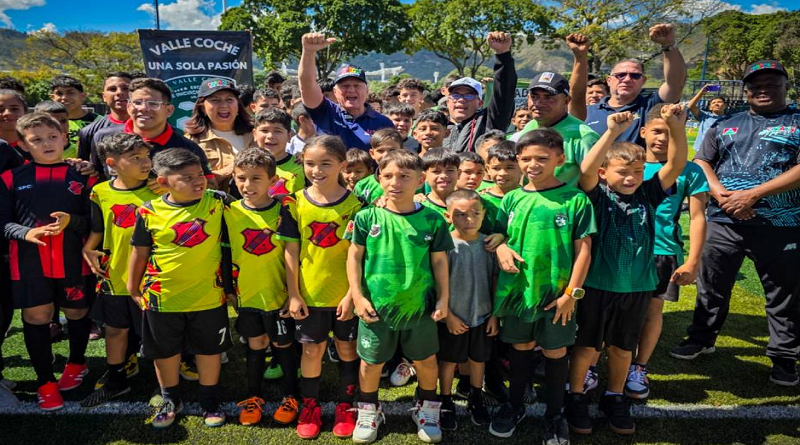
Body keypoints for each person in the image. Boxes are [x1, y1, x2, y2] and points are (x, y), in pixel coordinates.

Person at [671, 60, 800, 387]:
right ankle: (701, 339)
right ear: (746, 90)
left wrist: (752, 195)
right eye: (756, 85)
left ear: (786, 86)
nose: (763, 90)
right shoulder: (726, 122)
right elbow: (703, 160)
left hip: (780, 223)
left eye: (772, 84)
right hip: (723, 220)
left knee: (783, 292)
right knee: (712, 285)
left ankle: (784, 357)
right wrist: (719, 192)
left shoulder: (797, 121)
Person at [567, 105, 687, 436]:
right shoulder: (596, 196)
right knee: (587, 347)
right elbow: (586, 170)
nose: (632, 177)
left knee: (622, 348)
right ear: (605, 173)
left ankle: (614, 396)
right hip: (597, 286)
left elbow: (676, 163)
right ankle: (575, 395)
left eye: (637, 170)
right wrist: (611, 133)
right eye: (623, 171)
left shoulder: (648, 193)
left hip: (636, 287)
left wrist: (676, 127)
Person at [491, 129, 596, 442]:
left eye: (542, 158)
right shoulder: (512, 198)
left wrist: (571, 294)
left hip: (558, 296)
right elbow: (499, 236)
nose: (532, 165)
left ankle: (554, 415)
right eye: (526, 159)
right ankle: (514, 405)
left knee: (555, 350)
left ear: (560, 159)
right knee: (520, 347)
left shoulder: (575, 199)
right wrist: (500, 248)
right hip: (519, 292)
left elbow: (584, 251)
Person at [345, 149, 453, 444]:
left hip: (419, 307)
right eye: (388, 176)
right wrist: (357, 296)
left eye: (404, 176)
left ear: (420, 180)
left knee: (426, 360)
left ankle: (427, 408)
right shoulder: (366, 217)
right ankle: (368, 410)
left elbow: (439, 262)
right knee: (371, 363)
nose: (395, 183)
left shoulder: (432, 220)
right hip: (375, 307)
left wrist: (444, 298)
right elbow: (354, 257)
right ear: (379, 179)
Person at [128, 148, 234, 428]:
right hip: (162, 296)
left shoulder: (218, 201)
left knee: (209, 350)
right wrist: (132, 286)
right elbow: (139, 251)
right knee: (165, 352)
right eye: (187, 177)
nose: (198, 181)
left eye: (199, 174)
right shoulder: (149, 211)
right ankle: (170, 399)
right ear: (163, 182)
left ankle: (209, 400)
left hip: (209, 295)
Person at [0, 113, 97, 410]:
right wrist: (26, 232)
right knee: (37, 317)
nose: (46, 143)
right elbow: (3, 222)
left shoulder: (85, 175)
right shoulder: (10, 178)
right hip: (29, 262)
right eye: (36, 140)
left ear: (64, 138)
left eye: (52, 137)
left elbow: (96, 223)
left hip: (74, 260)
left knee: (77, 312)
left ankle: (77, 363)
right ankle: (45, 381)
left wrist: (72, 222)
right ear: (23, 145)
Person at [277, 136, 363, 439]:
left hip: (345, 296)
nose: (317, 170)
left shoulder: (357, 205)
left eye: (326, 163)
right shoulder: (293, 203)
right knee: (312, 350)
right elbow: (290, 251)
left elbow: (360, 255)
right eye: (310, 163)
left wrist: (352, 295)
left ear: (342, 164)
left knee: (347, 348)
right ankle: (310, 407)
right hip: (309, 294)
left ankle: (345, 406)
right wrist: (294, 294)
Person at [621, 104, 708, 400]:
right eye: (657, 131)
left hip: (662, 251)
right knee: (615, 309)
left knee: (652, 311)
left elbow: (697, 217)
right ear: (644, 131)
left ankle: (639, 366)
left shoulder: (690, 170)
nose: (662, 138)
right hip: (622, 249)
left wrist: (693, 261)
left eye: (670, 132)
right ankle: (597, 364)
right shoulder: (626, 163)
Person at [79, 133, 158, 407]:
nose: (145, 162)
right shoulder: (100, 191)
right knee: (115, 330)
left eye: (146, 156)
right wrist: (88, 248)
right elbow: (98, 229)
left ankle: (165, 386)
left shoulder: (160, 188)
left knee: (155, 334)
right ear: (112, 163)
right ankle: (116, 381)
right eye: (135, 158)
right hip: (114, 274)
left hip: (153, 277)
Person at [227, 147, 301, 426]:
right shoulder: (228, 211)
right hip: (247, 295)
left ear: (272, 181)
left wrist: (293, 293)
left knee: (283, 343)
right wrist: (229, 288)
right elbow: (225, 252)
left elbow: (292, 254)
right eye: (241, 178)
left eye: (256, 178)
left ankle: (292, 395)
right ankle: (253, 396)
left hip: (278, 293)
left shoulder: (285, 210)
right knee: (255, 344)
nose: (247, 185)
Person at [438, 189, 499, 431]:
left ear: (484, 214)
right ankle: (445, 400)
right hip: (452, 317)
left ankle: (476, 396)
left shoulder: (489, 245)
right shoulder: (444, 245)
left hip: (482, 316)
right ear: (448, 215)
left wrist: (494, 315)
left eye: (475, 213)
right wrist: (448, 316)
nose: (469, 219)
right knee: (448, 360)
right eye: (461, 214)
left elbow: (494, 280)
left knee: (478, 359)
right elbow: (437, 284)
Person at [92, 78, 214, 185]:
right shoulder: (104, 138)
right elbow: (96, 177)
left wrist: (173, 188)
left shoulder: (188, 148)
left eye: (153, 104)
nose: (143, 108)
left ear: (169, 110)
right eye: (137, 103)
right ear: (129, 107)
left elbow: (211, 185)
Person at [584, 24, 687, 147]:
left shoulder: (651, 106)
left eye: (635, 76)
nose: (627, 79)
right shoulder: (587, 111)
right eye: (621, 75)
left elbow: (675, 84)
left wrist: (668, 45)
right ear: (609, 80)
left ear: (643, 80)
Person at [299, 34, 393, 151]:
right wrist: (308, 52)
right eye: (345, 86)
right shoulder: (325, 112)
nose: (351, 90)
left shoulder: (383, 123)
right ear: (335, 91)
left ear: (367, 90)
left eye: (357, 85)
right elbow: (307, 85)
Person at [511, 72, 600, 188]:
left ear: (566, 101)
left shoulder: (583, 135)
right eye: (534, 96)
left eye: (548, 97)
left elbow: (592, 179)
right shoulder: (529, 126)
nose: (538, 103)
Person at [442, 32, 517, 153]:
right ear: (447, 101)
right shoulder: (436, 126)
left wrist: (503, 54)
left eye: (469, 95)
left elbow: (503, 93)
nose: (461, 99)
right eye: (456, 95)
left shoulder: (487, 122)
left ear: (480, 103)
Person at [184, 78, 256, 192]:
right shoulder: (190, 143)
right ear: (203, 108)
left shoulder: (256, 134)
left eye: (229, 99)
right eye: (215, 100)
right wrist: (228, 170)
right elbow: (187, 182)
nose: (224, 105)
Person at [77, 72, 134, 161]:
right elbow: (84, 165)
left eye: (126, 88)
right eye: (112, 89)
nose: (119, 92)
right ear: (104, 96)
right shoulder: (88, 132)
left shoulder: (150, 126)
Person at [251, 108, 305, 198]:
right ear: (255, 134)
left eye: (278, 131)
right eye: (264, 131)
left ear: (289, 136)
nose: (270, 136)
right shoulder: (248, 166)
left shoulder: (301, 166)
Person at [353, 128, 404, 205]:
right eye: (380, 151)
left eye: (392, 150)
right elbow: (357, 211)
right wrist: (372, 207)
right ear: (372, 153)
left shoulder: (413, 181)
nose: (386, 155)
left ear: (402, 151)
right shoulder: (363, 185)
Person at [50, 75, 100, 149]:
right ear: (52, 97)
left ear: (83, 96)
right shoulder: (47, 123)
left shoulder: (99, 121)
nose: (64, 97)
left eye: (70, 93)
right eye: (59, 94)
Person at [479, 143, 522, 210]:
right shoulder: (481, 200)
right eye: (496, 168)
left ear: (521, 168)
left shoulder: (528, 197)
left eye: (509, 168)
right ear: (488, 169)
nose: (502, 173)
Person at [421, 149, 460, 219]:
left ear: (459, 174)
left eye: (450, 170)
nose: (443, 176)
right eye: (436, 171)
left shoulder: (469, 204)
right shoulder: (419, 207)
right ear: (424, 176)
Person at [686, 85, 727, 151]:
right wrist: (701, 93)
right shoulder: (704, 116)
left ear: (725, 105)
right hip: (702, 151)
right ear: (710, 107)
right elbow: (690, 106)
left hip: (720, 150)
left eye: (719, 102)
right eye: (713, 103)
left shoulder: (730, 120)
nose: (716, 104)